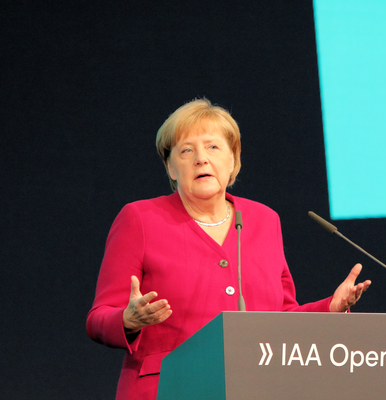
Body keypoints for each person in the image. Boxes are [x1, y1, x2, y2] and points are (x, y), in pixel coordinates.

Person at [86, 98, 371, 400]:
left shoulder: (264, 220)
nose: (201, 159)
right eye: (186, 150)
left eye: (213, 147)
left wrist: (331, 308)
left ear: (233, 160)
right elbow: (98, 319)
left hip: (255, 387)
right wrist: (128, 320)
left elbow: (281, 316)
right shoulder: (140, 219)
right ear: (170, 167)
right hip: (169, 387)